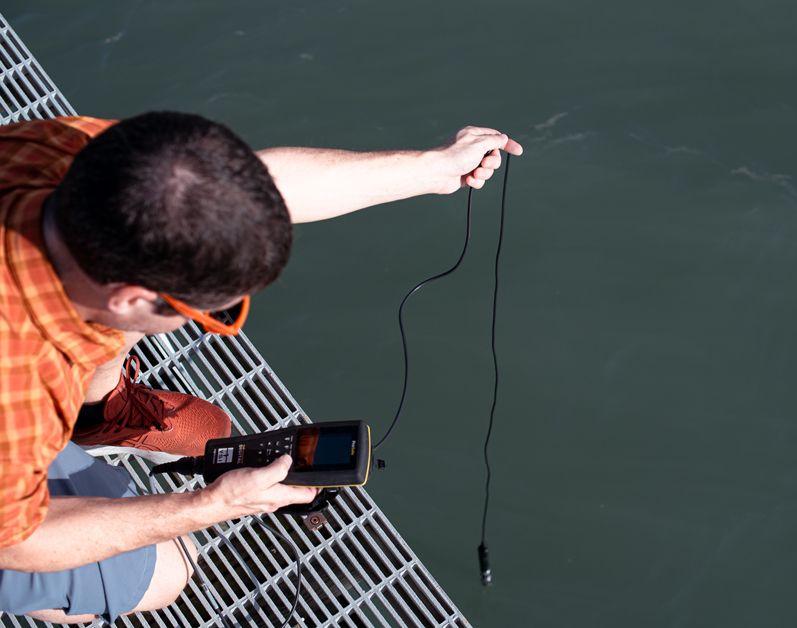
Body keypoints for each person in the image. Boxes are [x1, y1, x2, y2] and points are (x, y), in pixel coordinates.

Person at [0, 112, 522, 623]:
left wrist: (432, 169)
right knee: (169, 572)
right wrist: (209, 506)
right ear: (126, 296)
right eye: (208, 310)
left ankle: (94, 414)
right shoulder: (19, 386)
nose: (210, 318)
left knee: (150, 277)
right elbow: (21, 540)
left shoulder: (66, 152)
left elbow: (250, 191)